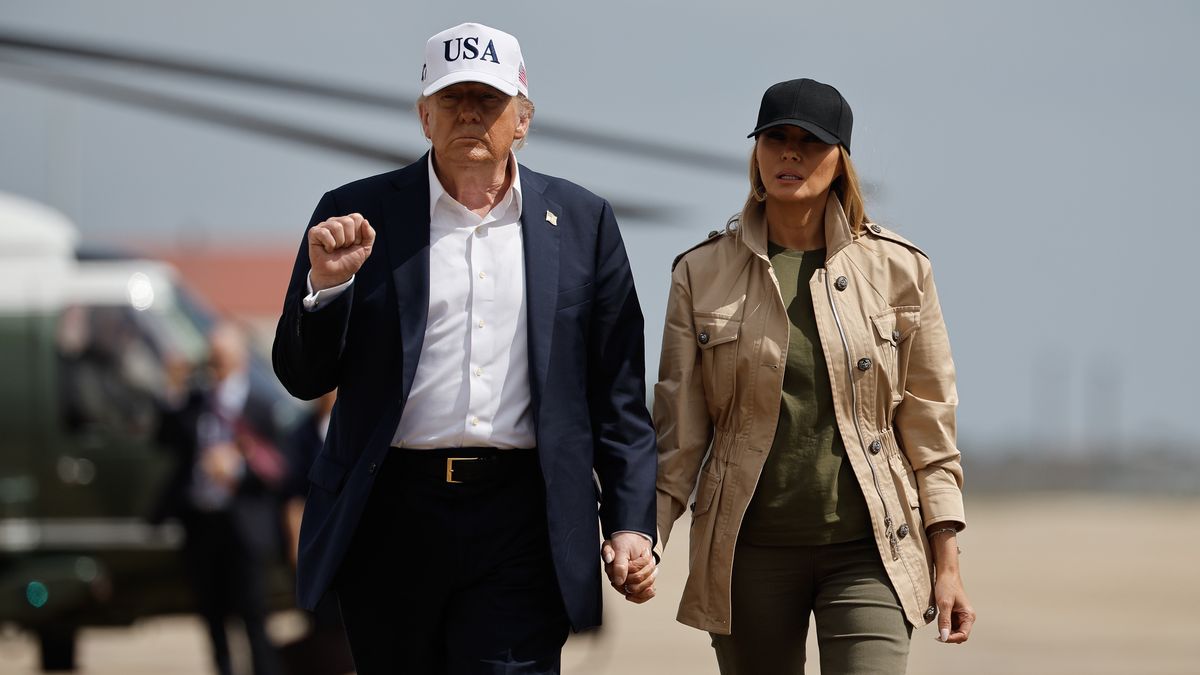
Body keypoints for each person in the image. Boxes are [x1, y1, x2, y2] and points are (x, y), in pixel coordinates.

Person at [271, 22, 658, 674]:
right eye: (453, 99)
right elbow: (304, 377)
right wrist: (326, 290)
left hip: (523, 519)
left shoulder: (585, 223)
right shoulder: (354, 215)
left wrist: (628, 524)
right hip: (392, 518)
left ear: (523, 119)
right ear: (425, 117)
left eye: (490, 99)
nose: (471, 113)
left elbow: (617, 393)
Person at [654, 78, 976, 674]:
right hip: (747, 553)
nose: (791, 154)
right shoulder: (699, 274)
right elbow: (679, 432)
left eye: (811, 141)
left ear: (841, 159)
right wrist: (648, 537)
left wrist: (948, 564)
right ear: (757, 151)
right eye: (776, 138)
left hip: (871, 550)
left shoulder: (902, 271)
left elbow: (931, 429)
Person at [156, 322, 286, 675]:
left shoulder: (259, 405)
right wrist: (173, 388)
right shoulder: (196, 401)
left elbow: (277, 466)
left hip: (244, 523)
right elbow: (165, 439)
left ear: (239, 358)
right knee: (212, 613)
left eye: (221, 357)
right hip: (202, 521)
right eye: (211, 357)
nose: (215, 364)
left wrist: (237, 466)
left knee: (253, 614)